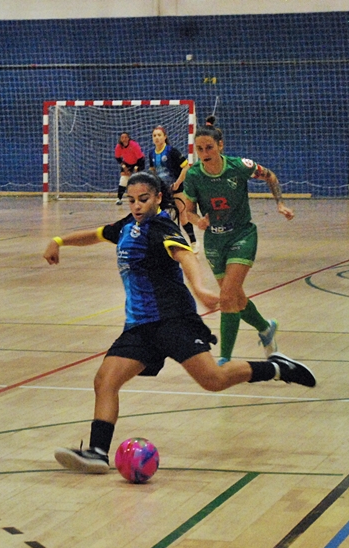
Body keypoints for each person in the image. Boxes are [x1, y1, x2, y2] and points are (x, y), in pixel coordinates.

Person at [43, 172, 315, 474]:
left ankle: (278, 367)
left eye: (143, 200)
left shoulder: (161, 226)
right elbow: (96, 234)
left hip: (173, 320)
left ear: (158, 197)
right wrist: (59, 241)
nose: (136, 206)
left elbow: (186, 256)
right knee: (105, 381)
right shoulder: (126, 226)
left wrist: (199, 289)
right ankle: (97, 452)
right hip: (139, 327)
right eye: (131, 200)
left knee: (214, 380)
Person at [181, 115, 291, 365]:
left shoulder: (240, 166)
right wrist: (197, 220)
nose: (204, 152)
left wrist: (280, 203)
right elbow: (187, 210)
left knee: (228, 296)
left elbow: (270, 176)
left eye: (209, 147)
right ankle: (265, 329)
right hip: (214, 241)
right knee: (236, 298)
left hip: (242, 234)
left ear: (220, 145)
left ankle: (224, 360)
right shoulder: (194, 175)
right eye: (199, 149)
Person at [148, 125, 195, 244]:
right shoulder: (151, 154)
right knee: (160, 215)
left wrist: (177, 183)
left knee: (183, 214)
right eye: (154, 135)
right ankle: (166, 241)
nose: (157, 138)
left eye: (159, 135)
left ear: (165, 137)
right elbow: (153, 171)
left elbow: (186, 167)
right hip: (162, 190)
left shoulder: (171, 151)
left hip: (177, 188)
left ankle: (193, 241)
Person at [114, 131, 145, 205]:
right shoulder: (118, 146)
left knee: (138, 180)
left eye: (126, 137)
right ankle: (119, 198)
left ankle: (141, 197)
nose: (124, 139)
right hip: (127, 163)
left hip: (138, 162)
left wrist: (136, 168)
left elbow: (140, 158)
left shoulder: (134, 145)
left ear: (128, 138)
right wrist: (124, 166)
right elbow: (118, 158)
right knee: (123, 180)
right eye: (122, 138)